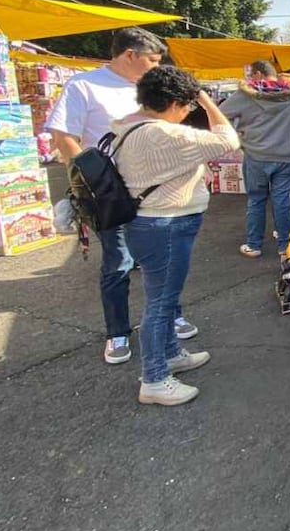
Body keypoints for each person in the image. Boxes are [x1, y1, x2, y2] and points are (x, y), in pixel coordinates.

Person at [45, 27, 199, 366]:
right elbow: (64, 135)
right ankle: (117, 332)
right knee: (118, 262)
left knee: (163, 259)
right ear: (130, 54)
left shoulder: (151, 86)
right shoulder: (83, 85)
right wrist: (90, 181)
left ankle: (171, 316)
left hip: (155, 191)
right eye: (152, 60)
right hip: (111, 193)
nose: (157, 66)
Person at [112, 66, 240, 405]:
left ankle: (169, 354)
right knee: (161, 302)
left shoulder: (129, 125)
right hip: (164, 224)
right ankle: (154, 379)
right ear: (173, 103)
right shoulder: (162, 133)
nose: (188, 113)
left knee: (163, 296)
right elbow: (228, 140)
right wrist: (207, 101)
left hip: (151, 223)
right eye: (187, 106)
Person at [219, 60, 290, 257]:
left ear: (257, 74)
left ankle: (254, 245)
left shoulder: (246, 95)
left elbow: (219, 114)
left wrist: (240, 130)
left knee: (256, 200)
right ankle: (285, 245)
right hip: (289, 157)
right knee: (282, 199)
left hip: (257, 155)